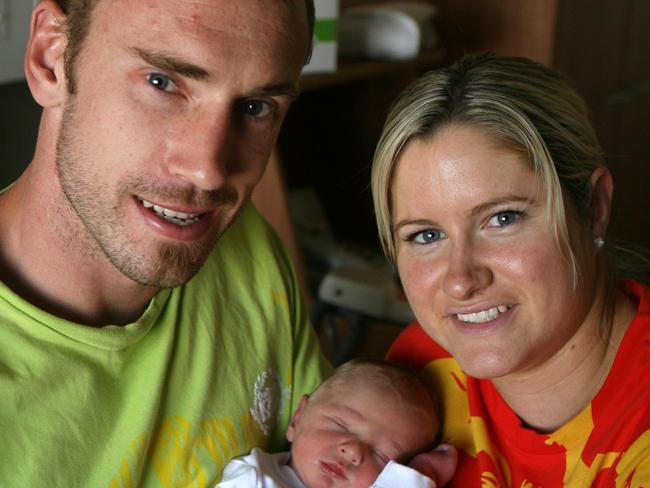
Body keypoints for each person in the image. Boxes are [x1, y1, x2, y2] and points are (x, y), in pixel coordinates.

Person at [0, 0, 331, 485]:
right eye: (162, 83)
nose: (208, 169)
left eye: (256, 107)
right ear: (51, 59)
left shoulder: (244, 245)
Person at [370, 53, 650, 486]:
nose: (461, 280)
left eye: (502, 219)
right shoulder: (417, 376)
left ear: (594, 208)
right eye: (426, 236)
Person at [217, 359, 458, 487]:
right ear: (298, 417)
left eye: (382, 456)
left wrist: (419, 474)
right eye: (340, 425)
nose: (353, 451)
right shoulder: (253, 478)